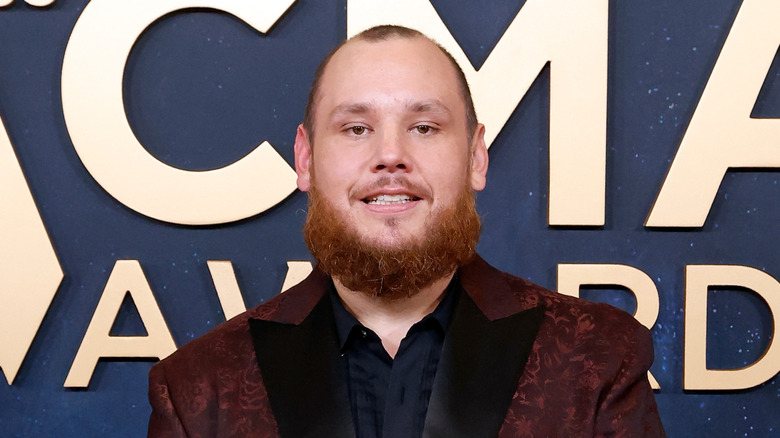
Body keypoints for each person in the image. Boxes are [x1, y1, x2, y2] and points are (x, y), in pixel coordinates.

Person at [147, 25, 665, 438]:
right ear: (305, 159)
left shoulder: (598, 360)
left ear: (476, 156)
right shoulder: (198, 387)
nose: (390, 156)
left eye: (424, 127)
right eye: (356, 128)